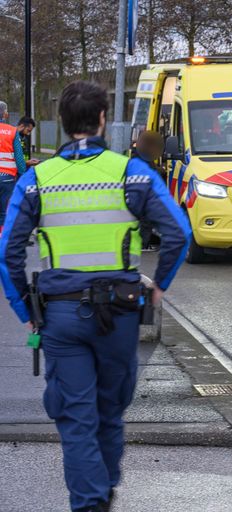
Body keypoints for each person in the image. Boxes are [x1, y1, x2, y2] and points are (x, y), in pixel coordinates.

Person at [0, 81, 191, 512]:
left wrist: (25, 311)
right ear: (103, 119)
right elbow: (179, 232)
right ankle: (101, 493)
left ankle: (92, 502)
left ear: (63, 124)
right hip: (120, 315)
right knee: (109, 412)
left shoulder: (37, 179)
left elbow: (8, 250)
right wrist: (159, 286)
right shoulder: (132, 173)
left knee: (76, 418)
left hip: (61, 316)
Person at [0, 101, 30, 235]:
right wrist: (23, 173)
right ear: (5, 114)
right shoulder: (12, 131)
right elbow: (19, 158)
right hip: (7, 179)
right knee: (4, 213)